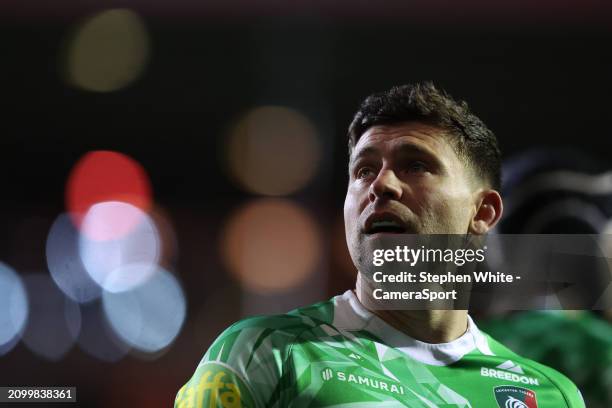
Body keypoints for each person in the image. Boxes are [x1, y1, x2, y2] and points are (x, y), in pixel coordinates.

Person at [175, 83, 585, 407]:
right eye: (364, 170)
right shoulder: (265, 355)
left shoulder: (550, 394)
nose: (381, 185)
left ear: (482, 214)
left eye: (416, 165)